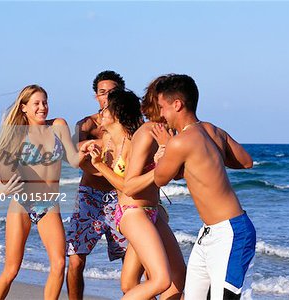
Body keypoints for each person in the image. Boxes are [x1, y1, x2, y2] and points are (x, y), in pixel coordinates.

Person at [152, 74, 256, 300]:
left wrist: (164, 146)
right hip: (209, 233)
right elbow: (246, 161)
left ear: (177, 104)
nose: (161, 114)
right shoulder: (212, 130)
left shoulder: (180, 142)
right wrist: (210, 157)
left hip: (230, 233)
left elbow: (160, 178)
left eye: (162, 107)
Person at [0, 84, 89, 300]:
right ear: (24, 107)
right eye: (36, 103)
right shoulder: (16, 135)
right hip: (22, 204)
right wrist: (2, 188)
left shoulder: (58, 125)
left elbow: (73, 161)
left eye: (45, 102)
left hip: (49, 205)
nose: (42, 107)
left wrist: (87, 149)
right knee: (11, 270)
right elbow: (2, 173)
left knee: (59, 263)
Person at [120, 76, 186, 299]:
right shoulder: (148, 132)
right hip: (133, 211)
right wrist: (158, 167)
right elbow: (129, 185)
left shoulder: (166, 134)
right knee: (161, 280)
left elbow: (172, 176)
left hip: (152, 213)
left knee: (179, 277)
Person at [65, 71, 127, 299]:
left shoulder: (131, 124)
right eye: (103, 93)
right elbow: (73, 155)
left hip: (119, 196)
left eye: (113, 92)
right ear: (96, 96)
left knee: (129, 257)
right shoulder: (87, 124)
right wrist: (89, 144)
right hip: (90, 196)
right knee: (75, 259)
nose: (107, 97)